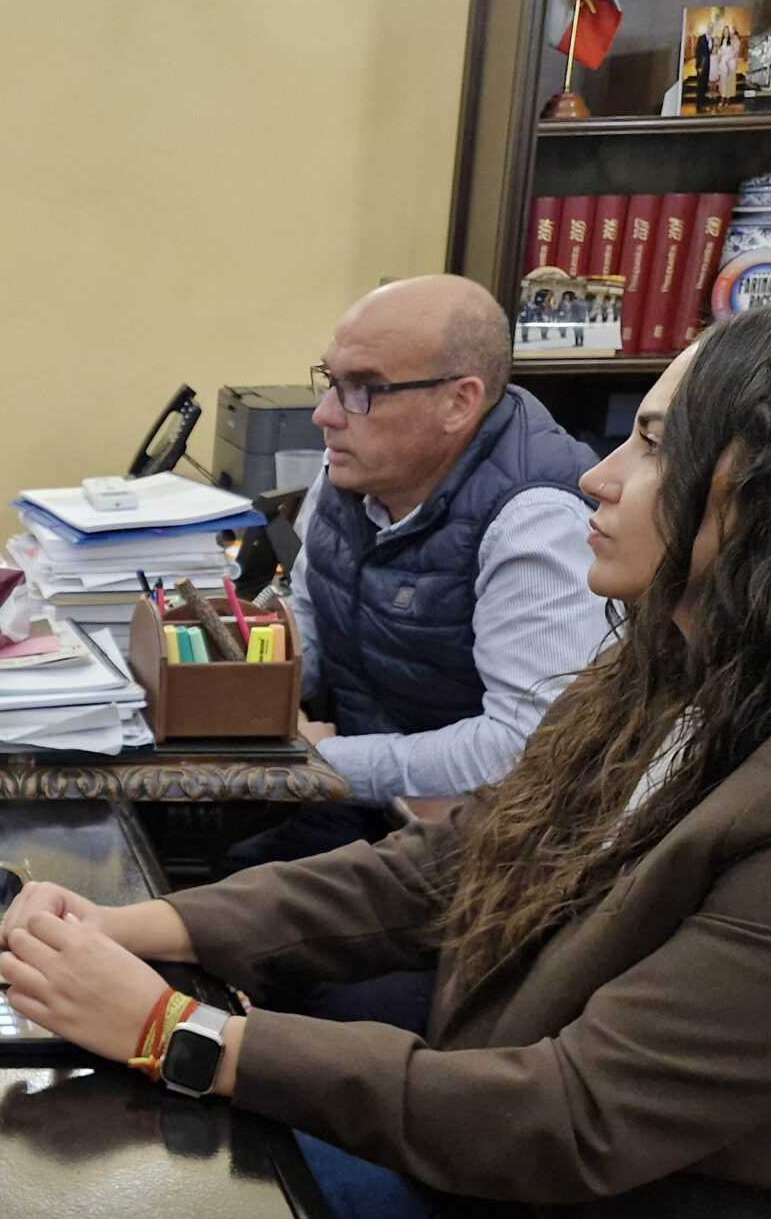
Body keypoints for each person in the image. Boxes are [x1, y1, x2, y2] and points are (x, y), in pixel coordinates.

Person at [0, 294, 771, 1219]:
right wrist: (147, 926)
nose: (598, 475)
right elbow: (446, 866)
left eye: (652, 444)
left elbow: (576, 1114)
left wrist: (182, 1038)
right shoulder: (678, 668)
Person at [256, 273, 607, 865]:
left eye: (362, 389)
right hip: (363, 804)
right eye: (331, 381)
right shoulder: (356, 465)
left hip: (478, 843)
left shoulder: (535, 520)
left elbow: (522, 747)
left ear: (459, 402)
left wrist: (322, 761)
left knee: (225, 907)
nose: (325, 414)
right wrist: (244, 688)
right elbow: (314, 616)